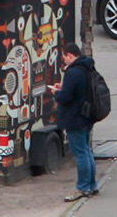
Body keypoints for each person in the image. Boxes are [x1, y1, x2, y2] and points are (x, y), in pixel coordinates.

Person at [49, 43, 97, 201]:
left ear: (69, 55)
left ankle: (82, 188)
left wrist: (57, 93)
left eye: (64, 57)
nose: (64, 61)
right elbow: (79, 89)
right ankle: (92, 185)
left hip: (75, 117)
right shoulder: (87, 67)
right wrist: (64, 87)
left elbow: (66, 98)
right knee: (87, 151)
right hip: (87, 115)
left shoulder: (73, 72)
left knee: (80, 153)